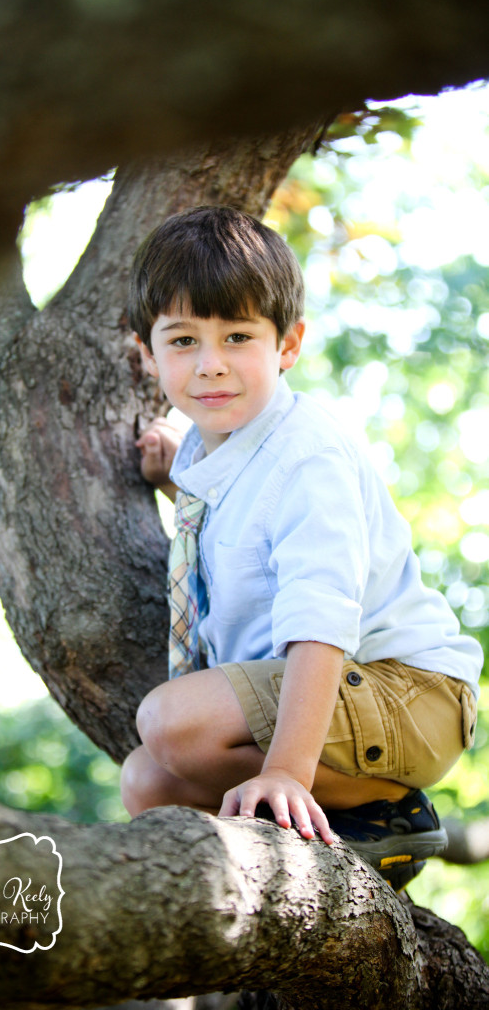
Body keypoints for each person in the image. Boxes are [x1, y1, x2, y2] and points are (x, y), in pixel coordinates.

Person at [120, 205, 483, 889]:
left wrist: (286, 768)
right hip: (345, 700)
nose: (211, 365)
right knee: (147, 782)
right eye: (183, 340)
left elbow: (320, 618)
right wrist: (178, 478)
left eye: (237, 336)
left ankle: (388, 812)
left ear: (287, 346)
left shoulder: (308, 456)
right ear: (148, 352)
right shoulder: (211, 453)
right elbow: (242, 531)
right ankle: (307, 856)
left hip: (407, 692)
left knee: (170, 723)